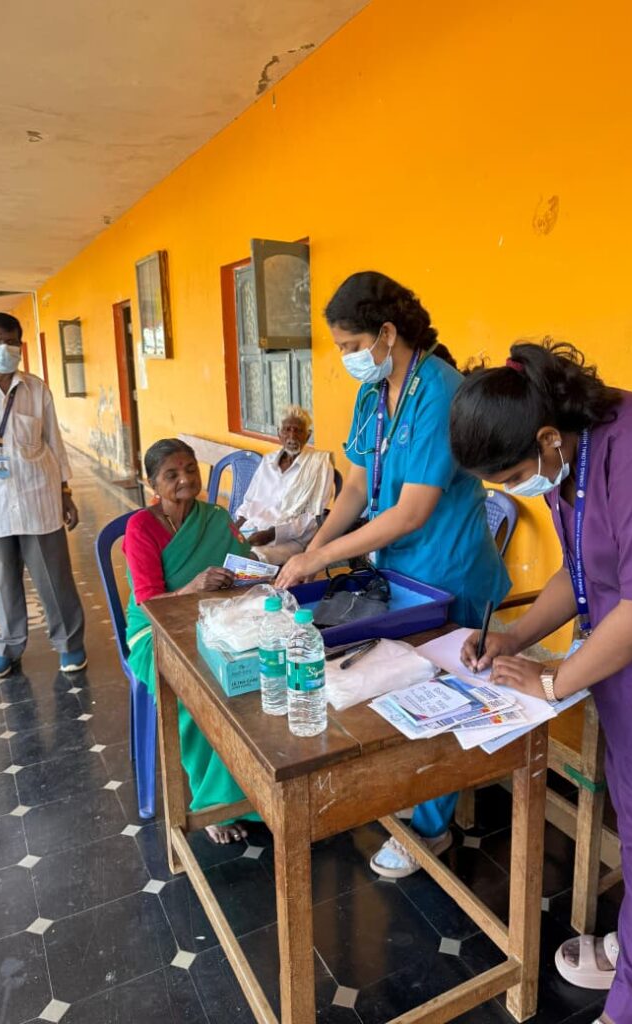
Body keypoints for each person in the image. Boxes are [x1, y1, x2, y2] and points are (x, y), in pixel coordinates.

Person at [449, 340, 632, 1024]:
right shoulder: (574, 457)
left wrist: (553, 683)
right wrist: (513, 638)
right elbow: (579, 573)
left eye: (512, 476)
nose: (513, 490)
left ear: (546, 438)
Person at [277, 271, 511, 878]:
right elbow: (356, 486)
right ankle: (408, 792)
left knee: (443, 695)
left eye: (352, 346)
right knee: (401, 687)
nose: (349, 358)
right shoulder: (372, 394)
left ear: (387, 332)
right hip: (398, 570)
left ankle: (429, 829)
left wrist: (321, 558)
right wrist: (311, 550)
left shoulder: (441, 391)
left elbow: (411, 511)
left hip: (450, 569)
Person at [123, 438, 259, 843]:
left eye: (190, 469)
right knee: (196, 689)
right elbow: (149, 603)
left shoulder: (215, 517)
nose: (185, 479)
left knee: (253, 673)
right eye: (171, 474)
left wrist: (251, 575)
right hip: (155, 631)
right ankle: (211, 803)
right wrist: (194, 587)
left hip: (215, 620)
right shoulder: (141, 527)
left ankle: (252, 789)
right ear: (153, 484)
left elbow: (247, 562)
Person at [0, 312, 86, 680]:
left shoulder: (37, 390)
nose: (3, 348)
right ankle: (7, 647)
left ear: (20, 345)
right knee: (3, 581)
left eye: (11, 341)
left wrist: (65, 492)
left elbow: (54, 443)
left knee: (55, 579)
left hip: (37, 499)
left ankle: (70, 644)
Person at [234, 405, 334, 565]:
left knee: (249, 560)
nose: (292, 436)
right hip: (252, 530)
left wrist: (271, 534)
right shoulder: (268, 461)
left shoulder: (319, 466)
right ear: (279, 433)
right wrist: (234, 530)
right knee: (220, 549)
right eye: (287, 430)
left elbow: (313, 517)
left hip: (290, 539)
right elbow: (249, 501)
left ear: (308, 435)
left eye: (298, 431)